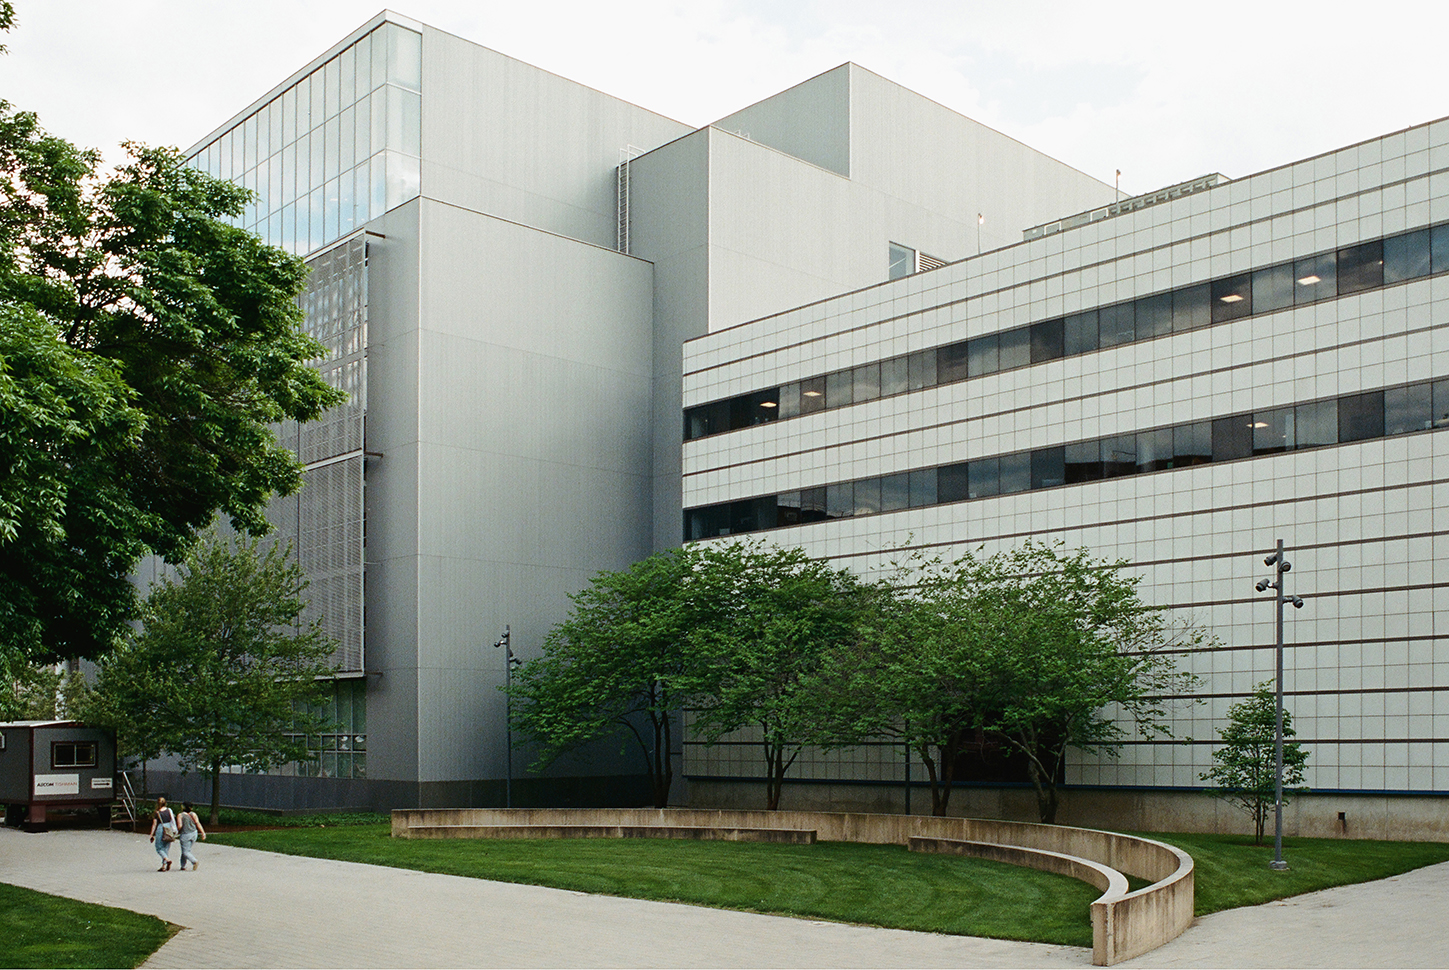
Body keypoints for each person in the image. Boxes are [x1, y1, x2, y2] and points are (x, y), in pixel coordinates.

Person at [148, 796, 178, 871]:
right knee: (166, 847)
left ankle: (166, 859)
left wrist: (151, 834)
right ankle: (164, 865)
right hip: (169, 828)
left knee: (159, 847)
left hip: (161, 828)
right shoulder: (169, 810)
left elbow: (154, 824)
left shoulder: (157, 813)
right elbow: (172, 820)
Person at [177, 800, 207, 871]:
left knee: (185, 852)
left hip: (185, 834)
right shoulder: (193, 814)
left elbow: (179, 826)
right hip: (194, 833)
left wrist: (177, 830)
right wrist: (203, 833)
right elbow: (197, 823)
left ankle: (194, 861)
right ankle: (183, 865)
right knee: (186, 850)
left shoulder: (180, 815)